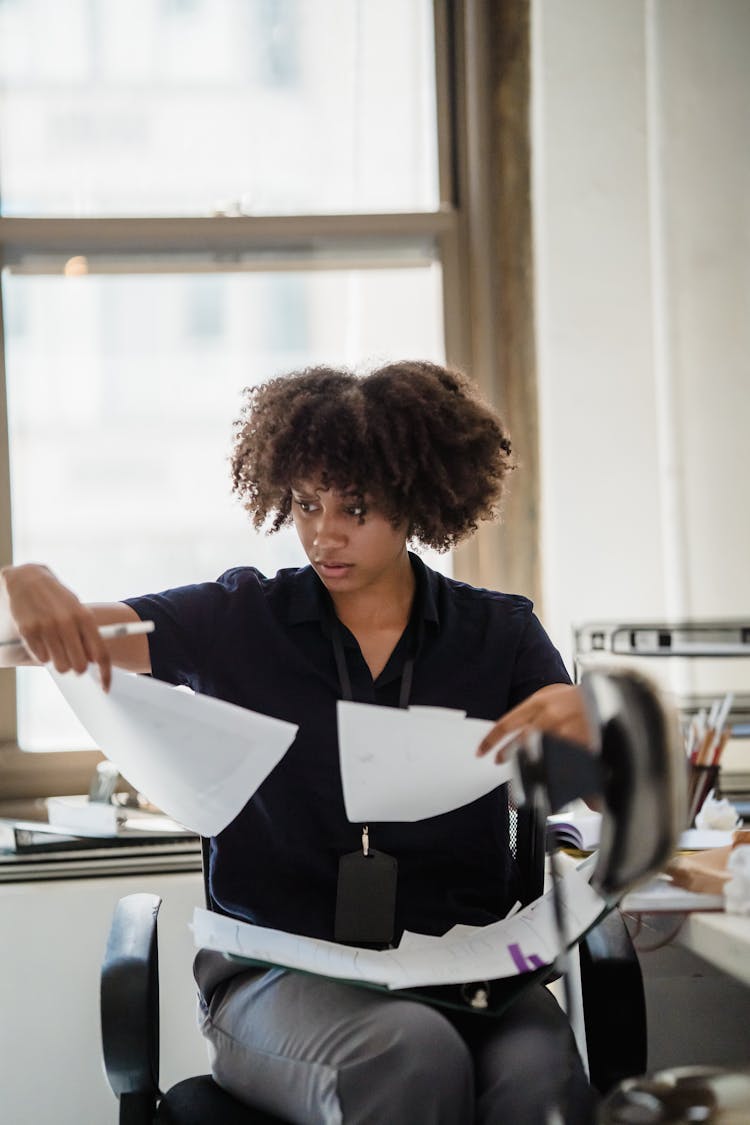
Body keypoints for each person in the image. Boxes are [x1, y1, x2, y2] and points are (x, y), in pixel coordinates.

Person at [0, 360, 597, 1124]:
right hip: (276, 971)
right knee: (412, 1054)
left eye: (355, 506)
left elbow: (587, 775)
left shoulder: (500, 634)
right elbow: (35, 643)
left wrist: (583, 722)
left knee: (541, 1080)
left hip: (464, 967)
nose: (324, 531)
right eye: (307, 503)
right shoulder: (239, 619)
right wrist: (23, 581)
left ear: (416, 501)